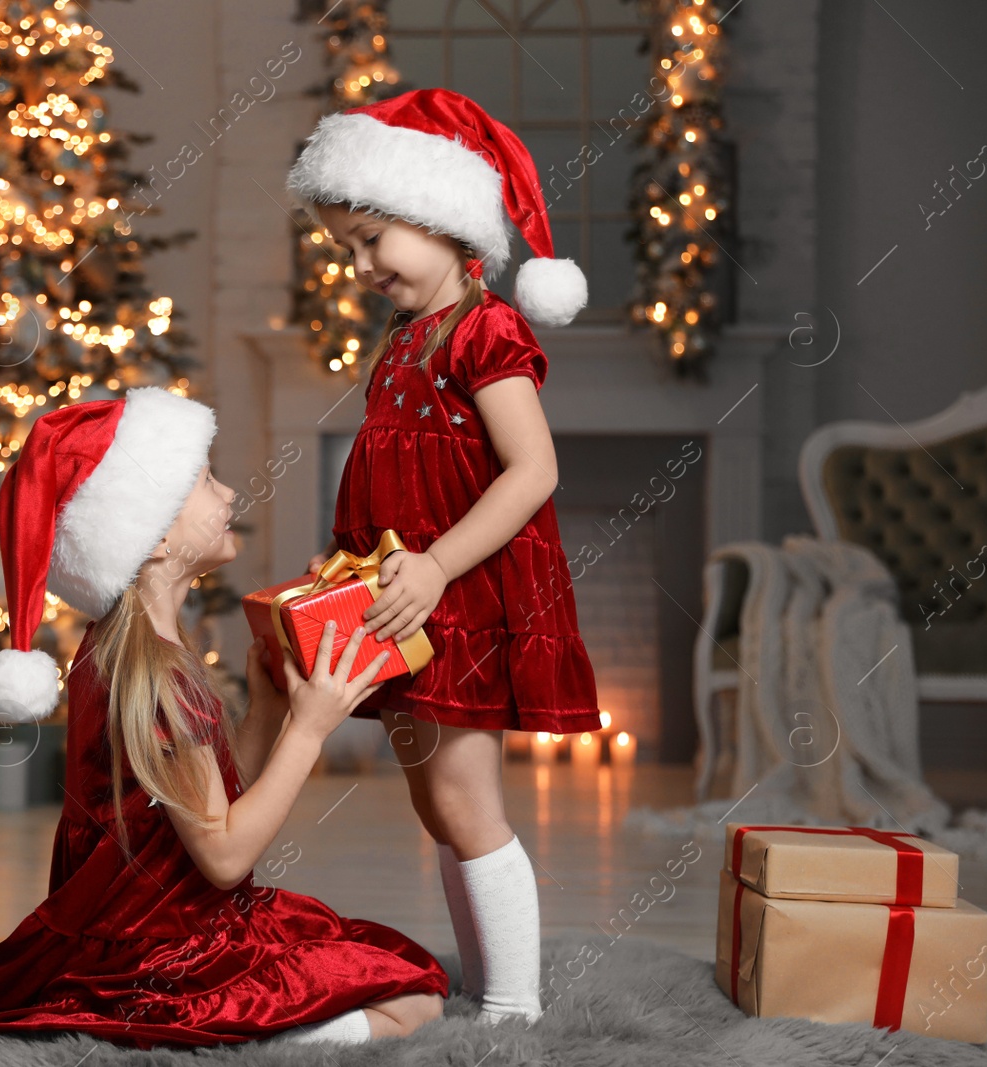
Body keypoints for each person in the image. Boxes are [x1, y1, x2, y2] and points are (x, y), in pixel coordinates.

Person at [0, 386, 448, 1049]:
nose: (229, 495)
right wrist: (310, 730)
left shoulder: (126, 646)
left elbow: (203, 807)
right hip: (169, 948)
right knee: (416, 1003)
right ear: (155, 535)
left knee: (383, 962)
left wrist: (267, 708)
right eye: (204, 480)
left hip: (161, 918)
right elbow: (224, 855)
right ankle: (224, 1040)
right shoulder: (157, 675)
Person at [286, 87, 604, 1025]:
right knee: (435, 804)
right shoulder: (401, 340)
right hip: (407, 605)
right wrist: (351, 566)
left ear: (440, 218)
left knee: (467, 801)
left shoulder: (484, 330)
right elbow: (392, 479)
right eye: (344, 246)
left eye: (370, 238)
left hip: (462, 598)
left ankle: (515, 1008)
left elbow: (532, 469)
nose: (359, 264)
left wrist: (435, 567)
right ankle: (483, 981)